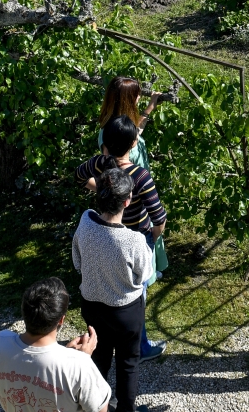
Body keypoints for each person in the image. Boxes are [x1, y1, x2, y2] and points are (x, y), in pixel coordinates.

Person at [76, 115, 169, 361]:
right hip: (136, 239)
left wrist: (102, 189)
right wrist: (151, 238)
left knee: (107, 286)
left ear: (105, 144)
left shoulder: (100, 164)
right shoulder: (140, 176)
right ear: (134, 144)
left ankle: (102, 341)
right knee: (137, 293)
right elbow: (159, 217)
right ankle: (141, 347)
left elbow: (79, 176)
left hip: (105, 234)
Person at [72, 168, 153, 412]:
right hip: (126, 311)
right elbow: (144, 275)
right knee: (128, 363)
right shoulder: (134, 240)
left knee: (99, 358)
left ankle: (97, 406)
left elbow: (77, 261)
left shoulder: (86, 220)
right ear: (127, 201)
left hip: (92, 306)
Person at [0, 277, 111, 412]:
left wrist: (70, 356)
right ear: (61, 320)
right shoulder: (79, 366)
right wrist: (80, 359)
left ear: (24, 311)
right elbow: (100, 410)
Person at [95, 77, 171, 278]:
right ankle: (141, 277)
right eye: (136, 95)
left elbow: (135, 131)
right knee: (137, 236)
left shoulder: (113, 127)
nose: (139, 97)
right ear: (127, 100)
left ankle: (148, 271)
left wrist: (149, 108)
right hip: (132, 196)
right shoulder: (109, 137)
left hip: (134, 189)